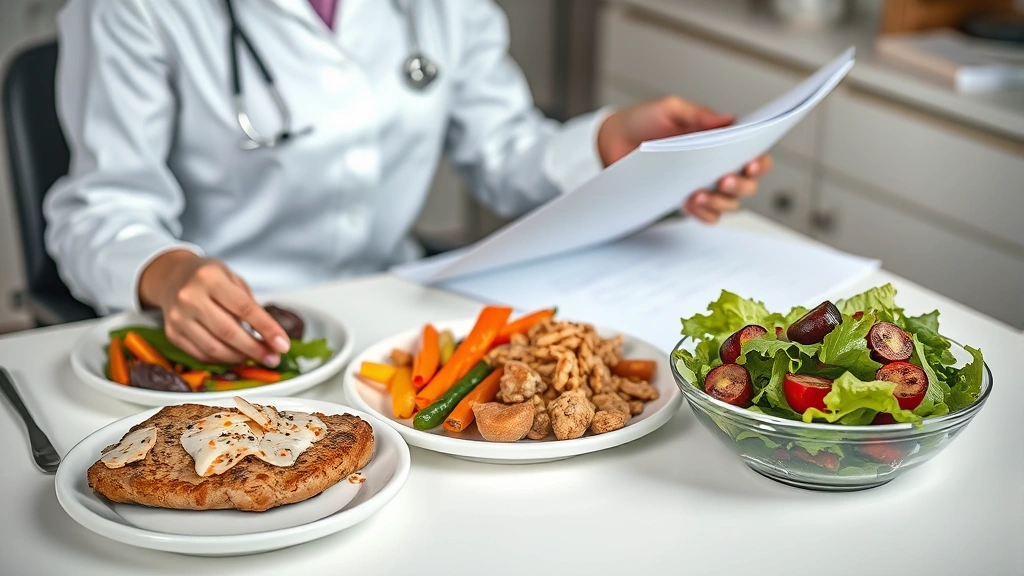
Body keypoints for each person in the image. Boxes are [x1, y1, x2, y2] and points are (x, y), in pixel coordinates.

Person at [45, 0, 772, 368]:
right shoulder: (127, 8)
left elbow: (505, 153)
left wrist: (611, 145)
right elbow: (100, 206)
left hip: (388, 316)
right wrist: (167, 272)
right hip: (227, 336)